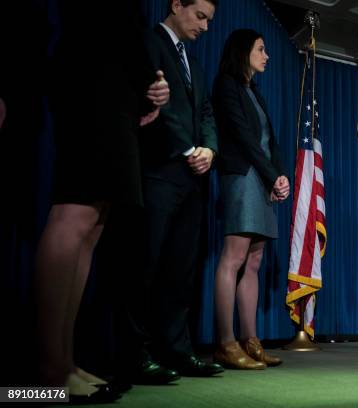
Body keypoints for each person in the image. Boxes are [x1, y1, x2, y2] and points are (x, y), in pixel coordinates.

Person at [34, 1, 170, 402]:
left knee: (93, 224)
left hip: (113, 84)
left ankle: (64, 362)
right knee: (74, 213)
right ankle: (47, 369)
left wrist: (147, 87)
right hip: (91, 75)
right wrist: (148, 79)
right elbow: (108, 18)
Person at [131, 0, 223, 380]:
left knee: (180, 271)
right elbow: (154, 105)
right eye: (200, 16)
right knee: (144, 267)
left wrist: (211, 149)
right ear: (176, 5)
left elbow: (205, 112)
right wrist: (189, 149)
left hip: (192, 180)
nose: (204, 26)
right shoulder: (149, 42)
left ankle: (177, 351)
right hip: (158, 171)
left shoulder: (194, 61)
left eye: (209, 21)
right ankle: (135, 354)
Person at [211, 29, 290, 370]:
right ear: (243, 51)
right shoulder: (226, 85)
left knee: (254, 262)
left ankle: (250, 340)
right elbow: (243, 137)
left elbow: (269, 139)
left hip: (261, 179)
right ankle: (225, 343)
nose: (267, 55)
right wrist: (271, 175)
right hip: (242, 176)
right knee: (234, 257)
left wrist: (279, 175)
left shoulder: (253, 90)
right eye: (261, 49)